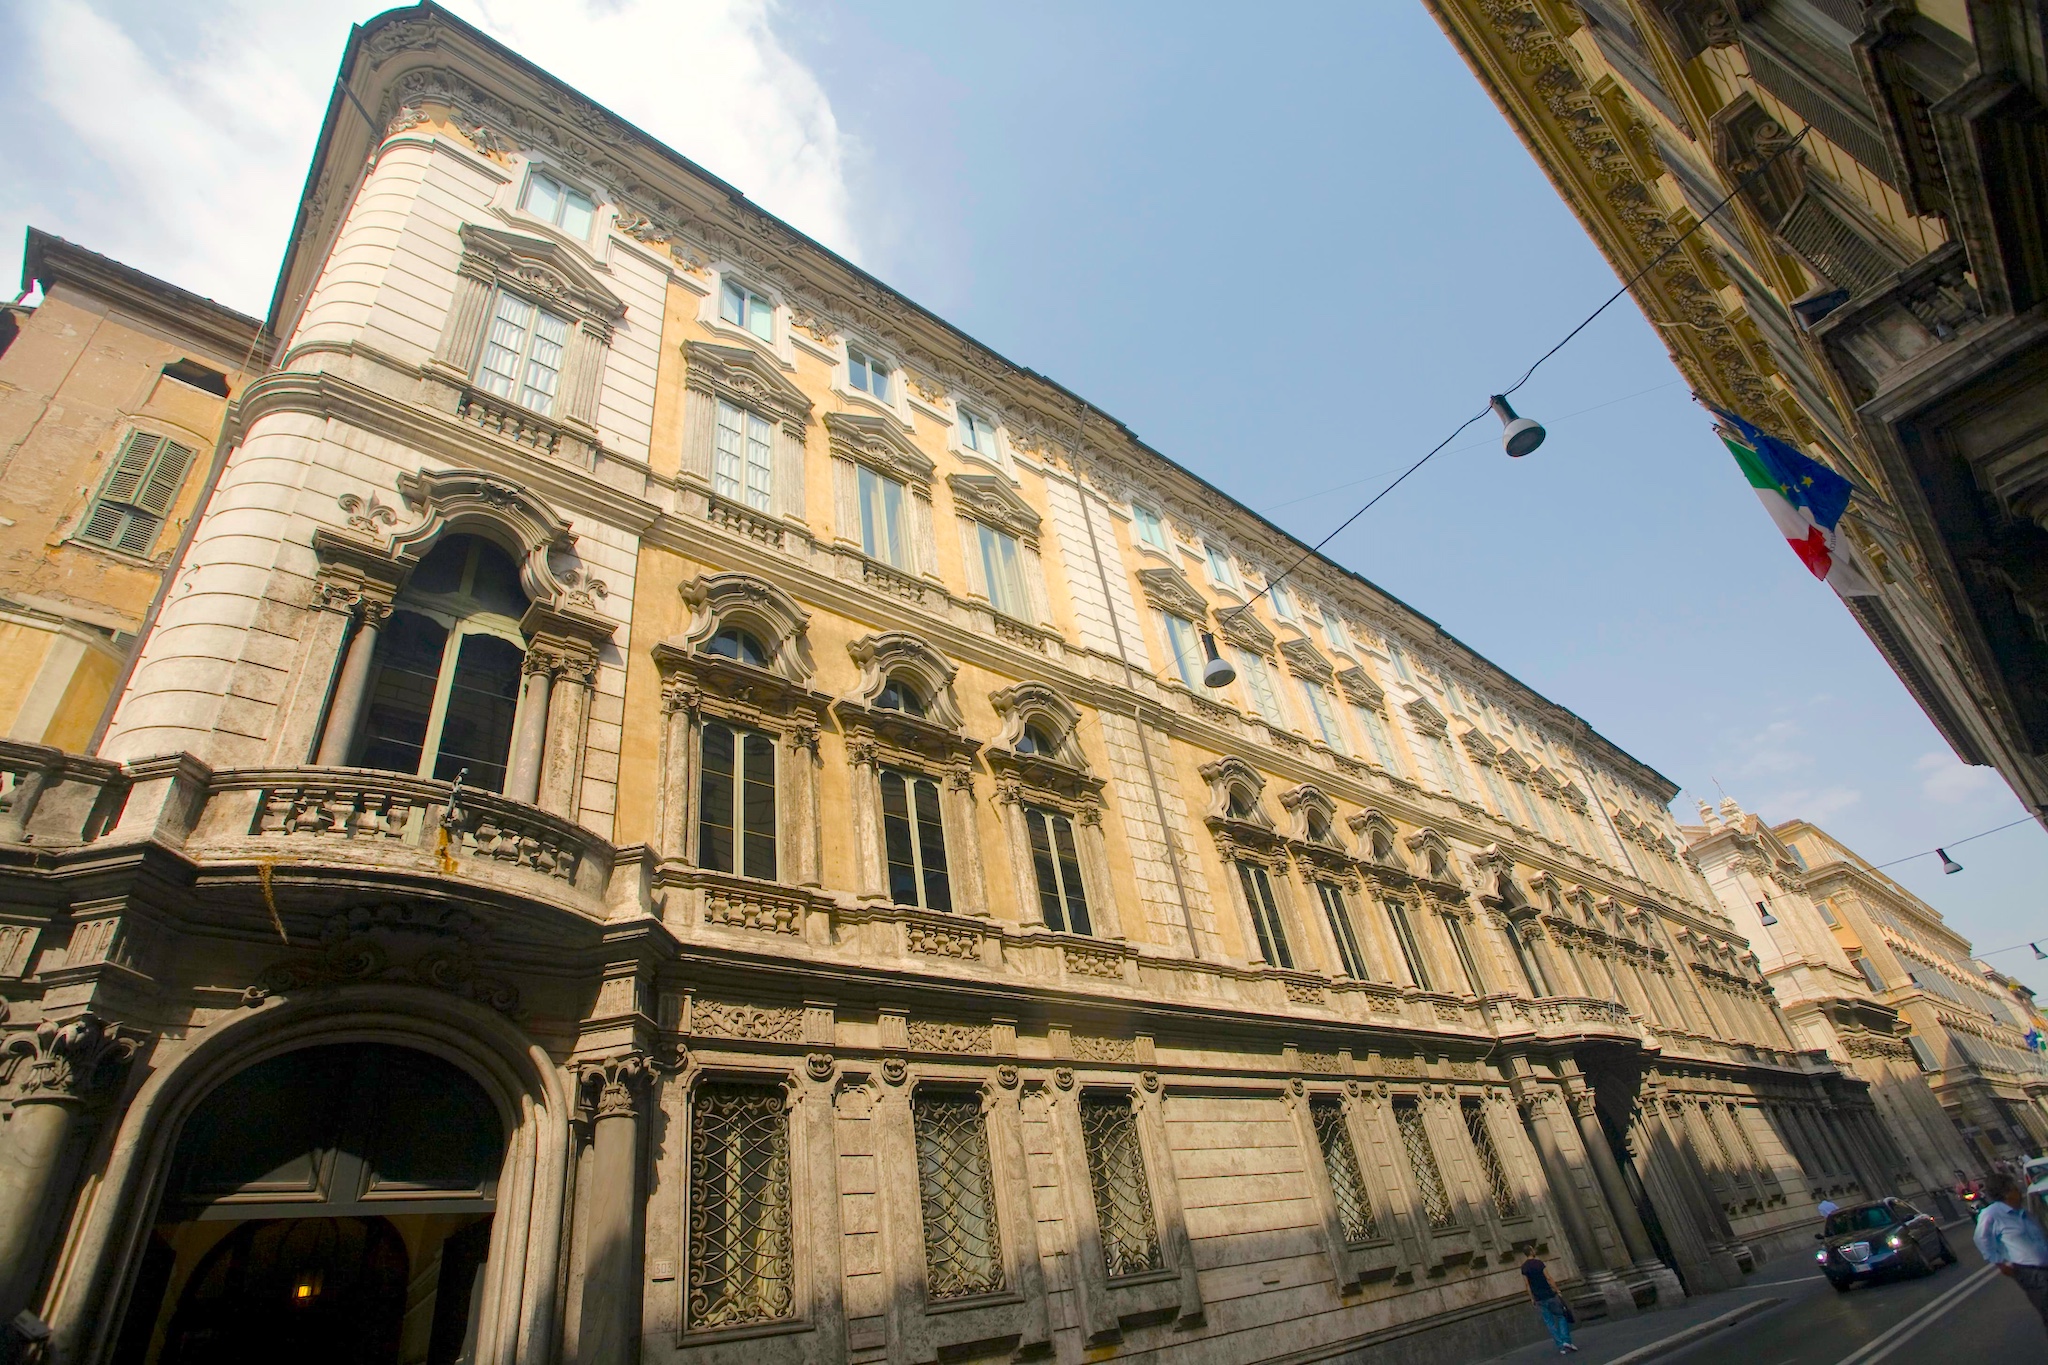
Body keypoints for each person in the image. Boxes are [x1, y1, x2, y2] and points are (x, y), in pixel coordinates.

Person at [1973, 1171, 2048, 1333]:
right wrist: (1999, 1262)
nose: (2019, 1192)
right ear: (2006, 1193)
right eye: (2015, 1188)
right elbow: (1981, 1239)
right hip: (2030, 1272)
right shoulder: (1992, 1214)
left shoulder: (2023, 1212)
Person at [1522, 1254, 1578, 1354]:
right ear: (1531, 1251)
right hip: (1549, 1295)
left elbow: (1527, 1285)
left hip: (1539, 1298)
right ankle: (1566, 1340)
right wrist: (1557, 1290)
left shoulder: (1524, 1267)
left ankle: (1561, 1346)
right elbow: (1548, 1277)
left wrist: (1532, 1298)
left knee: (1549, 1322)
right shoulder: (1539, 1263)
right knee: (1561, 1316)